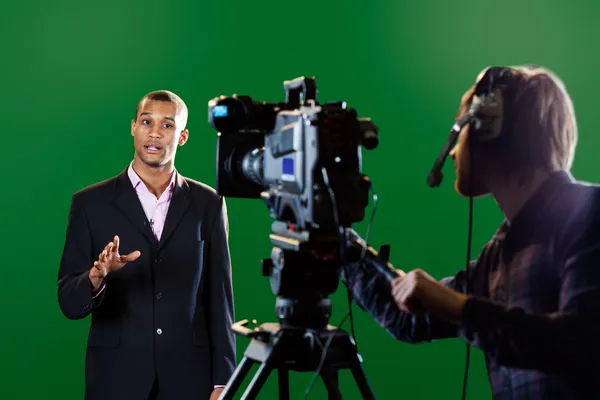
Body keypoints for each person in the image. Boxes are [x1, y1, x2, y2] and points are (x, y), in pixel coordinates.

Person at [341, 66, 600, 398]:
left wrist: (459, 308)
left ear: (486, 129)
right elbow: (408, 317)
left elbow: (581, 344)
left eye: (459, 130)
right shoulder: (499, 255)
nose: (451, 151)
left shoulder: (590, 213)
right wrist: (338, 242)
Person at [57, 90, 236, 400]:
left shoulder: (208, 203)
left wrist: (223, 380)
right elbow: (68, 302)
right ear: (133, 127)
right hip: (115, 379)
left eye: (167, 125)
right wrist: (96, 278)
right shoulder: (90, 204)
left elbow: (219, 299)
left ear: (182, 137)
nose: (154, 132)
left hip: (189, 380)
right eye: (146, 121)